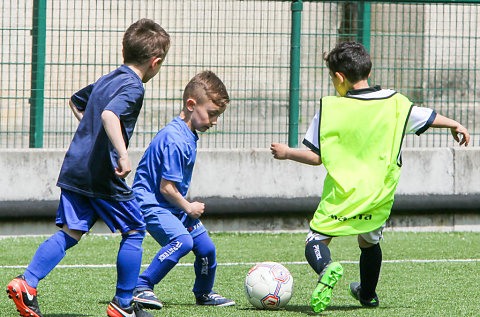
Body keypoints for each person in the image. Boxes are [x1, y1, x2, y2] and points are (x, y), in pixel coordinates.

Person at [270, 41, 470, 313]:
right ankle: (367, 295)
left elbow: (316, 157)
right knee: (369, 243)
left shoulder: (330, 109)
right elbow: (428, 116)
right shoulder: (396, 104)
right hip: (378, 196)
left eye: (332, 78)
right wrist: (455, 124)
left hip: (342, 195)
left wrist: (287, 153)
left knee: (315, 241)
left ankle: (326, 267)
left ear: (339, 78)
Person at [6, 19, 170, 317]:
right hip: (101, 174)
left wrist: (91, 133)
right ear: (155, 62)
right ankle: (123, 304)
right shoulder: (133, 87)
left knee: (71, 231)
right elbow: (109, 115)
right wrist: (122, 154)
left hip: (75, 168)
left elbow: (76, 101)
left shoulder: (109, 78)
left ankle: (27, 283)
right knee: (135, 229)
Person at [129, 70, 235, 310]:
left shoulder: (187, 134)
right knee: (183, 242)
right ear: (191, 104)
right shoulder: (175, 139)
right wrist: (188, 206)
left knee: (206, 248)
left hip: (170, 205)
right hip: (152, 204)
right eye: (212, 114)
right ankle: (141, 286)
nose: (215, 121)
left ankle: (204, 293)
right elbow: (166, 187)